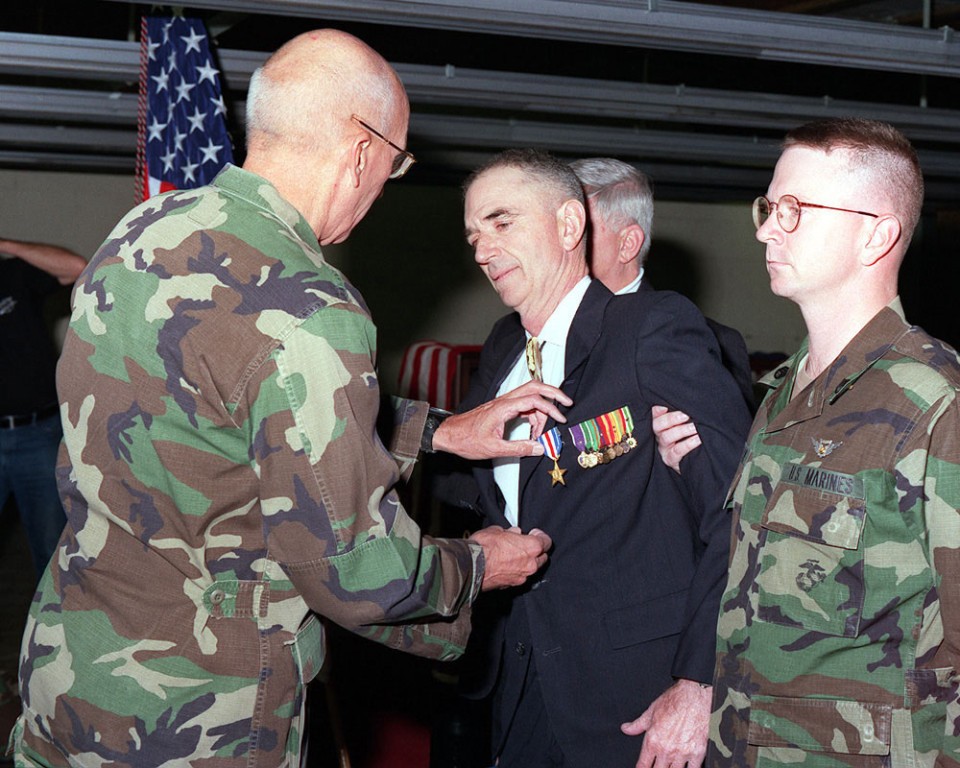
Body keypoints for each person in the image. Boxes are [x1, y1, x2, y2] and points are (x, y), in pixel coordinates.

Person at [10, 30, 564, 768]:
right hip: (197, 712)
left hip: (70, 667)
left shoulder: (144, 229)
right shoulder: (308, 305)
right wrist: (477, 565)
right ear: (362, 153)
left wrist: (438, 431)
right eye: (396, 163)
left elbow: (212, 411)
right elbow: (356, 571)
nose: (384, 184)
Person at [652, 118, 960, 766]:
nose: (767, 230)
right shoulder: (782, 394)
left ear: (877, 235)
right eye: (768, 208)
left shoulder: (936, 404)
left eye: (794, 210)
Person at [455, 149, 751, 767]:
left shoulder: (649, 326)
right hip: (519, 680)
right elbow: (476, 489)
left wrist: (700, 681)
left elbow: (738, 512)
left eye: (501, 222)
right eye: (474, 234)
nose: (483, 250)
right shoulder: (504, 345)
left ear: (570, 225)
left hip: (634, 688)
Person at [569, 157, 755, 413]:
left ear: (627, 244)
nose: (559, 243)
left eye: (577, 230)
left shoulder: (716, 346)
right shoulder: (518, 336)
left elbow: (727, 438)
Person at [0, 238, 85, 579]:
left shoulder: (13, 275)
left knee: (52, 551)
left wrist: (4, 243)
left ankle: (51, 614)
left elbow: (75, 268)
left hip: (38, 435)